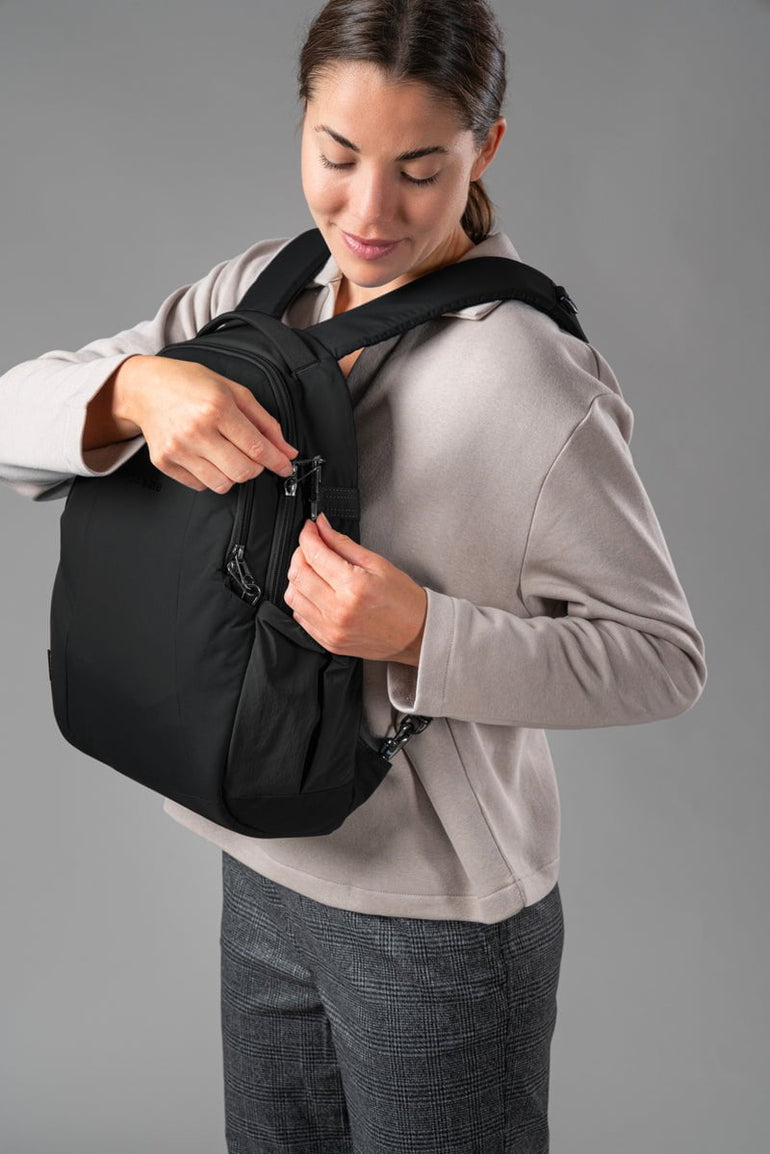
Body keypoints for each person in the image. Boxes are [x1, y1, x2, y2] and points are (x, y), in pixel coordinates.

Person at [0, 1, 708, 1150]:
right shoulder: (259, 288)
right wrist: (133, 388)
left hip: (436, 921)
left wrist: (422, 632)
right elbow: (12, 420)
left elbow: (661, 660)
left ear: (484, 149)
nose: (368, 213)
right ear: (300, 125)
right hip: (259, 860)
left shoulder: (535, 381)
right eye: (336, 157)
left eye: (418, 170)